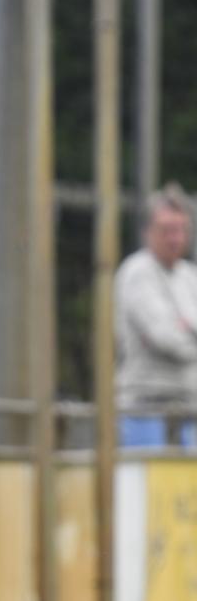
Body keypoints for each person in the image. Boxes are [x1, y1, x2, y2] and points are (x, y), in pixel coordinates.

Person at [115, 183, 197, 447]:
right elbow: (166, 339)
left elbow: (177, 336)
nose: (175, 238)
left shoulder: (189, 276)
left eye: (181, 229)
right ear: (148, 232)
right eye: (166, 230)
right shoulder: (137, 273)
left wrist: (186, 327)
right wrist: (185, 329)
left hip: (189, 411)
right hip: (144, 412)